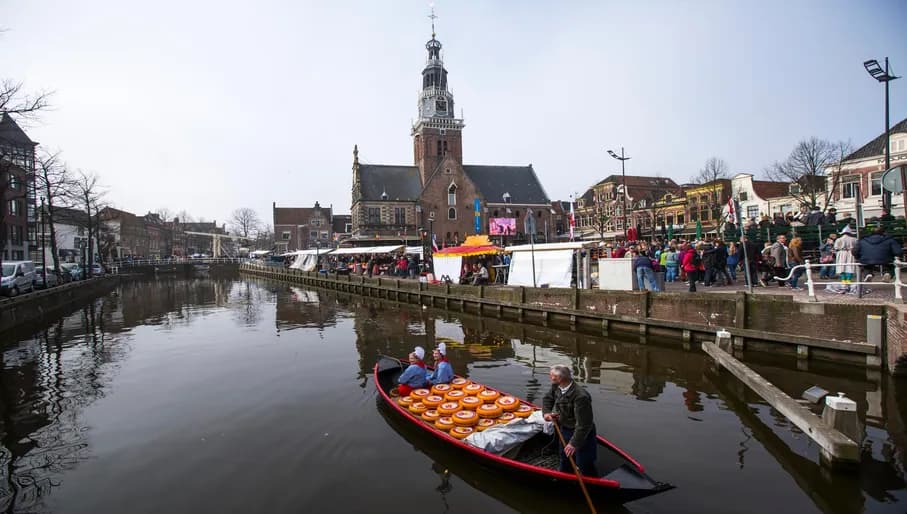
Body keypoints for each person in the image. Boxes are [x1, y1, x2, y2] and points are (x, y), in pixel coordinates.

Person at [542, 364, 597, 476]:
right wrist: (547, 413)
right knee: (565, 457)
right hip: (565, 428)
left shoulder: (580, 397)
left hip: (581, 433)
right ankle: (565, 476)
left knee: (584, 462)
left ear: (559, 378)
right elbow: (547, 399)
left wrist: (573, 443)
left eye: (551, 375)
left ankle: (591, 481)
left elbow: (584, 424)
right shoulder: (556, 386)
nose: (550, 377)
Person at [829, 225, 858, 294]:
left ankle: (843, 281)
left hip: (841, 253)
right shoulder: (854, 239)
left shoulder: (839, 240)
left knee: (842, 266)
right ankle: (848, 281)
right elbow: (857, 247)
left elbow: (835, 248)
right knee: (850, 266)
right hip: (851, 253)